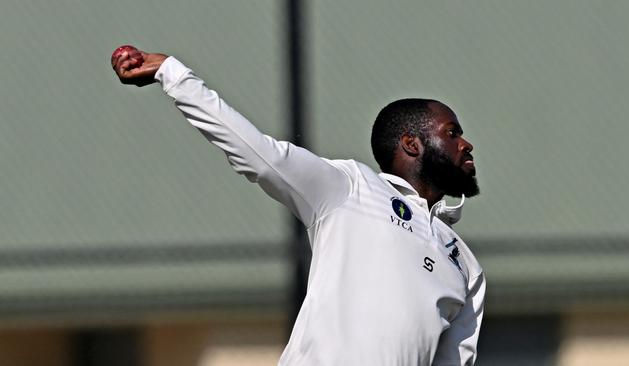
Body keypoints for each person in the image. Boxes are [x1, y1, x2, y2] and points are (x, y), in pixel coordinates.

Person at [112, 47, 485, 366]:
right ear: (411, 144)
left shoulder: (464, 264)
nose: (466, 144)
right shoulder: (352, 188)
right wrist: (172, 74)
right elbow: (256, 152)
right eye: (452, 133)